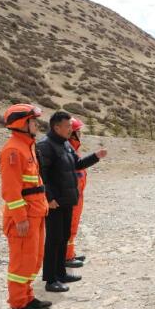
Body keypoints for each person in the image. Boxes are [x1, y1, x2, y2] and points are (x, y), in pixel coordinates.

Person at [37, 111, 106, 292]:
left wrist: (96, 157)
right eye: (67, 126)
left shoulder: (66, 144)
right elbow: (42, 175)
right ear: (56, 127)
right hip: (55, 202)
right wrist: (49, 197)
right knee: (53, 240)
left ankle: (61, 273)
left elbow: (78, 164)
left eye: (70, 126)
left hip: (67, 200)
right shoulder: (45, 146)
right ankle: (51, 280)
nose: (70, 129)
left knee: (63, 237)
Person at [0, 104, 51, 309]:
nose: (36, 124)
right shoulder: (13, 150)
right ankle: (18, 306)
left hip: (36, 213)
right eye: (33, 120)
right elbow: (10, 190)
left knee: (33, 259)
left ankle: (28, 297)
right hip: (24, 217)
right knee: (21, 262)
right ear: (22, 123)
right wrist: (19, 217)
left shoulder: (27, 146)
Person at [65, 118, 88, 268]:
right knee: (68, 227)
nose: (80, 134)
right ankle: (66, 257)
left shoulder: (73, 149)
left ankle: (70, 254)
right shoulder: (67, 150)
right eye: (78, 132)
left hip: (77, 195)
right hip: (71, 196)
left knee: (73, 226)